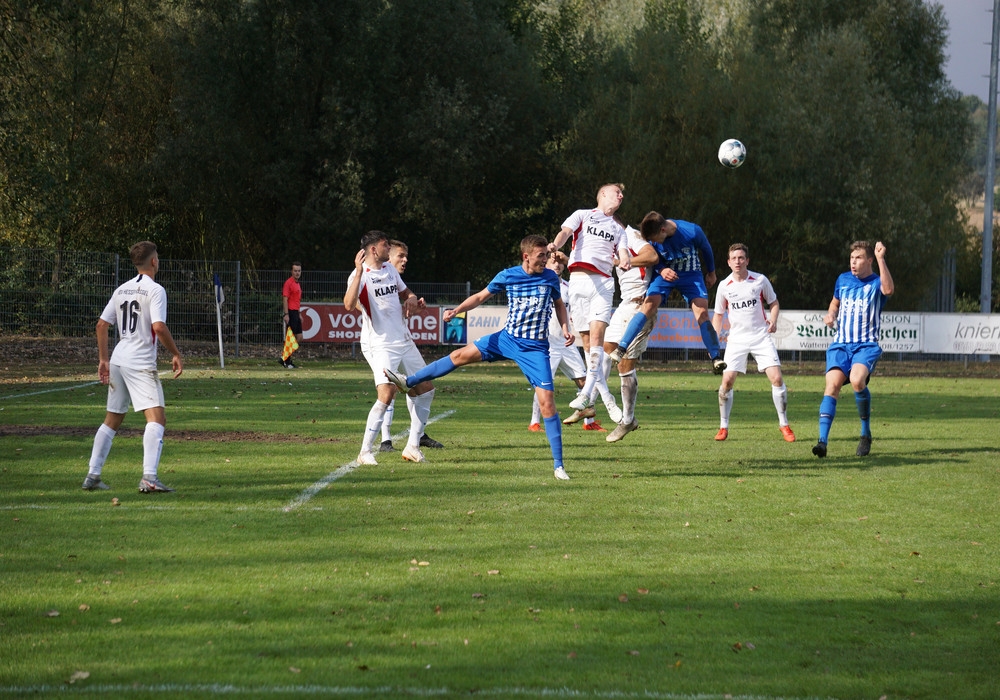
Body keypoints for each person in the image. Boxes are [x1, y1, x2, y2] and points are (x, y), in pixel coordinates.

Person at [385, 235, 575, 480]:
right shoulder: (508, 275)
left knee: (547, 403)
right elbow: (480, 297)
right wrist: (457, 310)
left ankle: (558, 466)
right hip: (507, 338)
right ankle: (408, 381)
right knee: (458, 355)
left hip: (535, 348)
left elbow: (559, 304)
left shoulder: (549, 278)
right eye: (541, 256)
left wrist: (565, 327)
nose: (545, 260)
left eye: (546, 255)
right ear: (526, 256)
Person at [82, 241, 183, 493]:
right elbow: (158, 327)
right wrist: (175, 353)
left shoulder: (122, 289)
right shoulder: (156, 290)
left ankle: (93, 475)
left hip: (118, 359)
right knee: (157, 418)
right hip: (140, 362)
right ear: (154, 261)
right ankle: (149, 478)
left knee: (112, 419)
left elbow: (101, 325)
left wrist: (103, 360)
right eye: (157, 257)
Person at [344, 231, 437, 466]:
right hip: (381, 343)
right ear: (373, 249)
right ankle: (365, 451)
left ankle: (413, 447)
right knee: (387, 393)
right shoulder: (359, 275)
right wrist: (358, 271)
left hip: (404, 340)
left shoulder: (389, 270)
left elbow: (405, 293)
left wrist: (412, 299)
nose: (389, 249)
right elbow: (348, 305)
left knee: (426, 389)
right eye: (386, 245)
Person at [548, 184, 630, 422]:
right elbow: (565, 232)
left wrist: (625, 261)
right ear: (603, 194)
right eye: (617, 192)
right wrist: (555, 244)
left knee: (596, 341)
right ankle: (607, 400)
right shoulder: (583, 214)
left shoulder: (618, 228)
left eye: (622, 195)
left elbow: (623, 253)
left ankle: (585, 394)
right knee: (587, 345)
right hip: (578, 282)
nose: (621, 196)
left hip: (602, 284)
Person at [608, 211, 725, 375]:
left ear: (663, 230)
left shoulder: (692, 231)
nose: (653, 243)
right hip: (665, 274)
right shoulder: (653, 236)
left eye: (654, 239)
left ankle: (716, 358)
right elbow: (653, 258)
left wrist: (711, 272)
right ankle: (621, 348)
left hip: (691, 275)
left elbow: (706, 248)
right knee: (648, 305)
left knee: (702, 313)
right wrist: (662, 269)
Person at [813, 241, 894, 458]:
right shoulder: (843, 279)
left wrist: (881, 259)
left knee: (857, 381)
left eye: (858, 258)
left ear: (869, 260)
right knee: (831, 386)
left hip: (866, 345)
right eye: (851, 258)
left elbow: (889, 290)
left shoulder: (876, 282)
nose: (853, 262)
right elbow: (835, 303)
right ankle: (822, 442)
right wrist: (831, 314)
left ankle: (865, 434)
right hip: (841, 344)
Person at [711, 243, 795, 443]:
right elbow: (718, 315)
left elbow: (774, 303)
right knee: (727, 382)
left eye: (741, 258)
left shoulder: (760, 280)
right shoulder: (724, 285)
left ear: (747, 260)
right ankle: (723, 427)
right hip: (737, 339)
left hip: (760, 337)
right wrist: (713, 343)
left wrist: (773, 320)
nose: (738, 262)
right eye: (734, 258)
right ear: (728, 262)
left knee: (777, 378)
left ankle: (784, 424)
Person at [601, 223, 668, 442]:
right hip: (625, 304)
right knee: (606, 348)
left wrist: (623, 261)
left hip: (640, 306)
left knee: (625, 363)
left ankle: (627, 419)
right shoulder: (614, 243)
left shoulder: (631, 235)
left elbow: (651, 256)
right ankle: (601, 403)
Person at [378, 239, 444, 452]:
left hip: (402, 340)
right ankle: (385, 440)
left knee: (417, 385)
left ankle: (419, 434)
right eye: (401, 256)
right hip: (384, 343)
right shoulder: (373, 279)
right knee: (389, 388)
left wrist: (413, 305)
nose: (405, 260)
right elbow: (368, 310)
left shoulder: (394, 280)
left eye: (406, 256)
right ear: (388, 257)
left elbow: (398, 311)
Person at [530, 251, 602, 432]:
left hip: (567, 343)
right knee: (543, 383)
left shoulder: (569, 287)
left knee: (585, 381)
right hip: (547, 344)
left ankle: (589, 422)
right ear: (545, 263)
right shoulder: (539, 284)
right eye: (553, 261)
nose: (557, 265)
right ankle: (534, 422)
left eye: (560, 262)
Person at [281, 261, 303, 368]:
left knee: (299, 337)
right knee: (291, 338)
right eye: (295, 271)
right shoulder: (288, 283)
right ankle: (286, 361)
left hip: (296, 312)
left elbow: (297, 300)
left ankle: (284, 357)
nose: (297, 273)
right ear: (291, 271)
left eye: (299, 271)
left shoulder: (297, 284)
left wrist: (299, 313)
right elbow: (285, 299)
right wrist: (286, 314)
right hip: (290, 312)